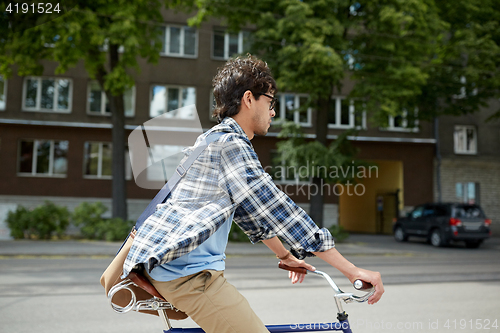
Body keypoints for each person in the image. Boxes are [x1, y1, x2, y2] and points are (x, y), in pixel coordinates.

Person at [122, 55, 384, 333]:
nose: (273, 112)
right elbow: (277, 209)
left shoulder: (211, 138)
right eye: (270, 103)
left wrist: (285, 255)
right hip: (188, 276)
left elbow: (250, 212)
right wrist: (352, 271)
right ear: (249, 99)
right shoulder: (232, 145)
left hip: (175, 267)